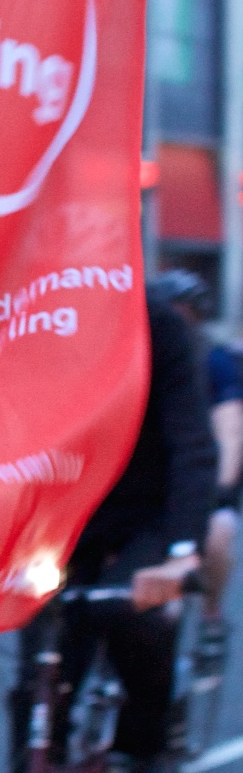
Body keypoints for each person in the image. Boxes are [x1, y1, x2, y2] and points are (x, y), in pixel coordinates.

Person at [12, 284, 217, 773]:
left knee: (132, 614)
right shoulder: (30, 321)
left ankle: (150, 752)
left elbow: (192, 446)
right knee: (43, 665)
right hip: (64, 516)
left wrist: (181, 553)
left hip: (144, 514)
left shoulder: (160, 327)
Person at [151, 266, 240, 626]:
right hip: (149, 478)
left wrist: (220, 489)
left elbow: (230, 429)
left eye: (185, 314)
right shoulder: (141, 354)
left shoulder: (216, 361)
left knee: (218, 535)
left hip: (200, 473)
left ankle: (211, 615)